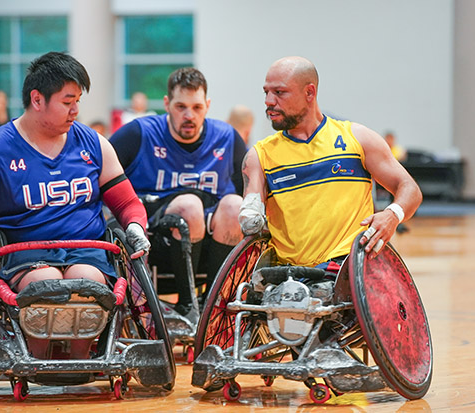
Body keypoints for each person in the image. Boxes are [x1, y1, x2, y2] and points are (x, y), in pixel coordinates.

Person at [0, 51, 150, 359]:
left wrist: (136, 226)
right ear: (37, 99)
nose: (75, 110)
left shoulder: (95, 144)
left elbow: (127, 203)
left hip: (86, 249)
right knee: (45, 285)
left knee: (88, 283)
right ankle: (39, 358)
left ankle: (79, 359)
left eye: (78, 102)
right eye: (67, 101)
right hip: (24, 255)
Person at [239, 56, 422, 272]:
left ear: (310, 92)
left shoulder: (358, 139)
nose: (269, 101)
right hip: (288, 276)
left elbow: (410, 189)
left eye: (279, 92)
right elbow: (250, 222)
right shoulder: (259, 156)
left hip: (349, 270)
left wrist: (393, 214)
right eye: (266, 92)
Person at [110, 67, 246, 315]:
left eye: (196, 108)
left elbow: (250, 193)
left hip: (213, 246)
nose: (189, 115)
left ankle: (213, 306)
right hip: (154, 244)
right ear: (167, 103)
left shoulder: (227, 137)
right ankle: (188, 306)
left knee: (236, 206)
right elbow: (101, 173)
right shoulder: (139, 133)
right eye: (180, 106)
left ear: (207, 105)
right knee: (189, 206)